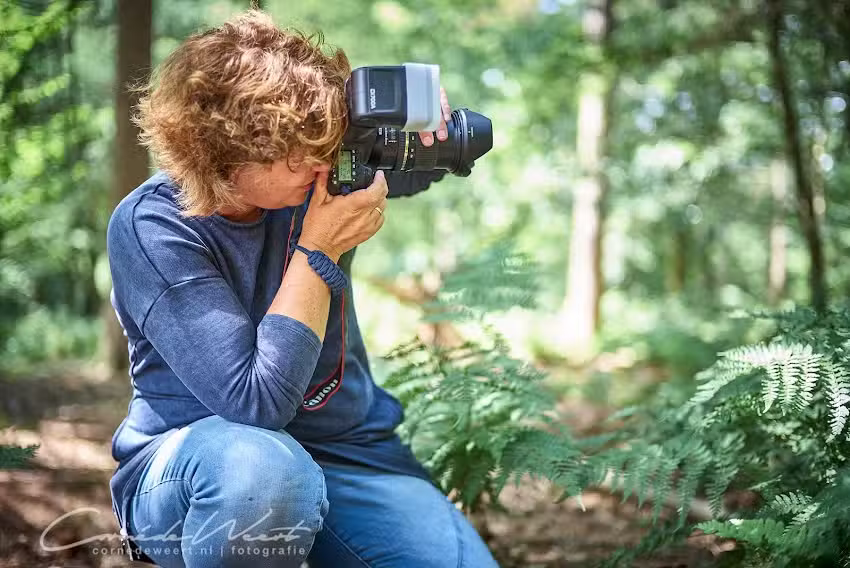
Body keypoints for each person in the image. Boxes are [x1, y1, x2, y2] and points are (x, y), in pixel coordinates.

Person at [105, 8, 499, 568]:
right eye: (299, 155)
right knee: (263, 476)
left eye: (328, 144)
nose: (324, 165)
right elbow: (254, 403)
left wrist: (429, 121)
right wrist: (318, 251)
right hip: (206, 460)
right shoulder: (153, 226)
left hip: (350, 451)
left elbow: (424, 164)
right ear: (224, 156)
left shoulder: (316, 165)